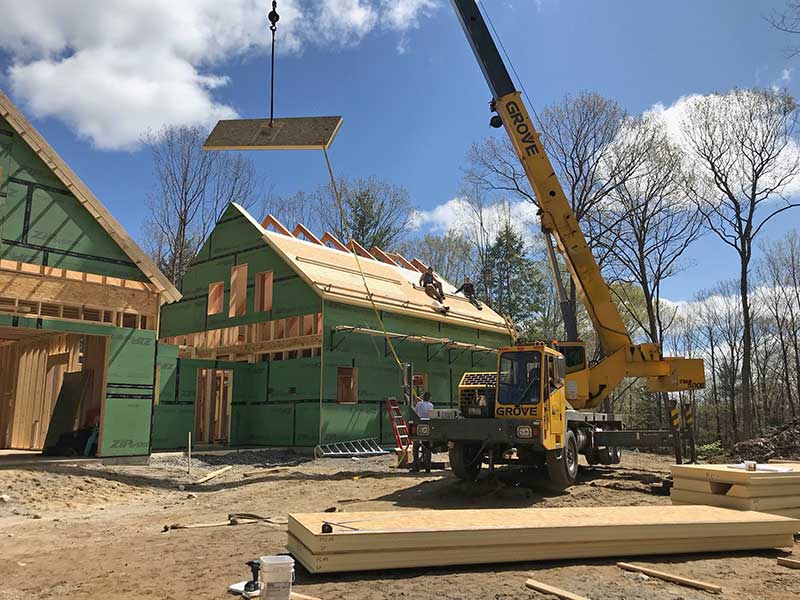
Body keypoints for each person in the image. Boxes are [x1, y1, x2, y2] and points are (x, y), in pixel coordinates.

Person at [412, 392, 434, 473]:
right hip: (427, 428)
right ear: (429, 398)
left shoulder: (418, 404)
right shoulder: (431, 405)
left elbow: (416, 413)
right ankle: (428, 467)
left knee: (416, 449)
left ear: (423, 397)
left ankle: (416, 467)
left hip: (418, 426)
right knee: (427, 449)